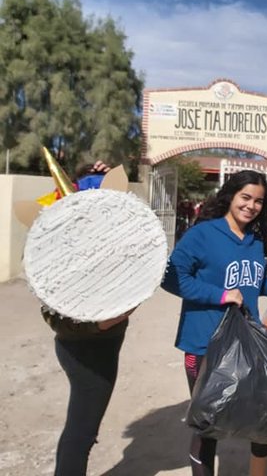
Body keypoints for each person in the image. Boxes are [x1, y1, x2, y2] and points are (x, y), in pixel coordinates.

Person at [162, 170, 267, 476]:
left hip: (247, 342)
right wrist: (219, 295)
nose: (251, 206)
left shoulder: (254, 240)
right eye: (245, 197)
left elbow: (249, 282)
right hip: (204, 343)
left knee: (260, 413)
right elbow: (172, 279)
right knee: (209, 424)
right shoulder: (202, 234)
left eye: (258, 201)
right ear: (230, 196)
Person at [46, 161, 133, 476]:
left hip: (100, 344)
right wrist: (99, 324)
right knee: (81, 430)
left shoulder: (105, 245)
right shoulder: (56, 251)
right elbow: (52, 312)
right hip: (87, 349)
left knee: (83, 426)